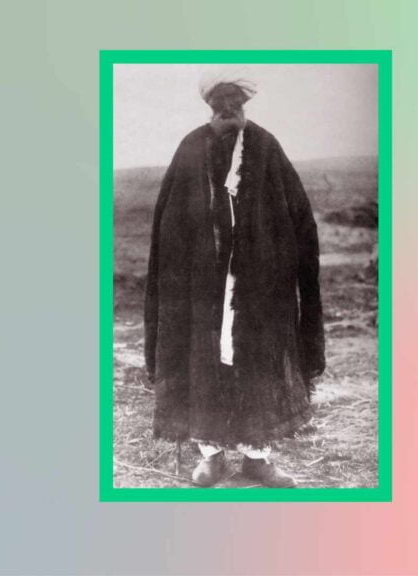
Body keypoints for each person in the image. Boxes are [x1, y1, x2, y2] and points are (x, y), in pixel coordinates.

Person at [144, 67, 326, 488]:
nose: (229, 111)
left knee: (257, 362)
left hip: (259, 285)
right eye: (220, 104)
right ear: (209, 107)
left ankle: (258, 459)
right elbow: (168, 221)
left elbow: (296, 212)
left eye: (236, 104)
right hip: (202, 287)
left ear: (244, 106)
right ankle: (210, 456)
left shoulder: (264, 147)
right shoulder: (191, 148)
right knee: (205, 361)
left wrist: (283, 262)